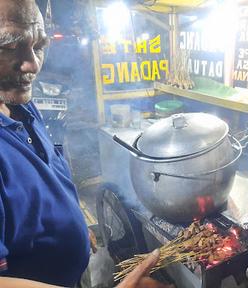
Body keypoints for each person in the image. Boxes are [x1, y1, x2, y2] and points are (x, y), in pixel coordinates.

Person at [0, 0, 171, 287]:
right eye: (8, 46)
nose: (33, 63)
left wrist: (73, 220)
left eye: (39, 45)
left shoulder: (20, 105)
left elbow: (46, 179)